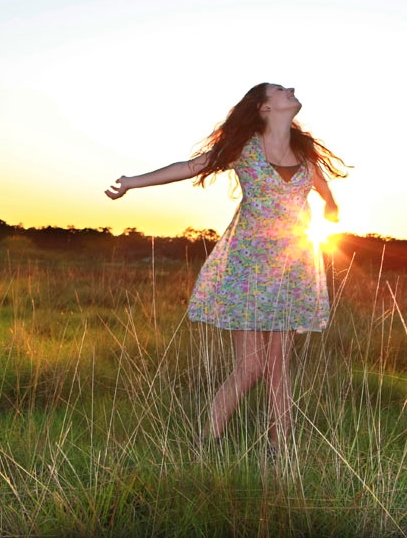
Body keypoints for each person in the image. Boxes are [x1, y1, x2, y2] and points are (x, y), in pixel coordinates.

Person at [105, 83, 346, 456]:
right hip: (247, 268)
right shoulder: (244, 148)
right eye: (282, 89)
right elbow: (190, 167)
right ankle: (208, 441)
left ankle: (279, 451)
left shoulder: (304, 153)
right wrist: (132, 183)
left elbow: (322, 187)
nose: (292, 89)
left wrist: (331, 207)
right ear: (264, 107)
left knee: (279, 367)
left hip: (292, 268)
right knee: (250, 367)